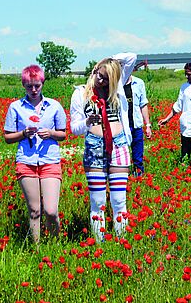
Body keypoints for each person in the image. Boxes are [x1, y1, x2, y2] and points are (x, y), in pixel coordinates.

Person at [70, 52, 144, 243]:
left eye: (106, 78)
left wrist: (110, 62)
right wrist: (87, 122)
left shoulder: (117, 88)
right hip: (94, 149)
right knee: (98, 202)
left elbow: (131, 57)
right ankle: (99, 243)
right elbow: (74, 129)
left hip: (119, 147)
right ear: (94, 70)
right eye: (99, 74)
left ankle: (122, 241)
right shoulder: (80, 93)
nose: (100, 80)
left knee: (119, 201)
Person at [3, 65, 67, 242]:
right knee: (34, 210)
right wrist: (24, 134)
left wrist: (51, 133)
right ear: (23, 85)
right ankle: (37, 249)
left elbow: (63, 134)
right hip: (26, 161)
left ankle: (54, 244)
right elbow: (8, 137)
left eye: (37, 85)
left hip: (49, 161)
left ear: (42, 83)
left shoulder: (54, 106)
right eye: (29, 86)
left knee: (51, 211)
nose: (33, 90)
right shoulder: (15, 107)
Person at [159, 60, 191, 165]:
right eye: (185, 74)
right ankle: (185, 169)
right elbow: (178, 105)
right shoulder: (184, 87)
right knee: (185, 153)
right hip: (187, 123)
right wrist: (167, 119)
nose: (187, 77)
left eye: (189, 74)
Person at [123, 70, 152, 177]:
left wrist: (148, 125)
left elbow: (143, 104)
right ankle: (122, 176)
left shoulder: (138, 83)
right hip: (122, 127)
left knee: (138, 155)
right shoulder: (116, 83)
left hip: (136, 125)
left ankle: (138, 176)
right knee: (121, 155)